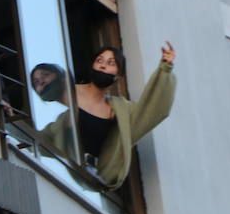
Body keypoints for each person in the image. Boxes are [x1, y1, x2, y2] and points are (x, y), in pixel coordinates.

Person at [33, 43, 177, 189]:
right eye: (99, 61)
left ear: (118, 75)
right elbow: (35, 141)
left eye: (110, 63)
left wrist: (165, 69)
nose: (103, 66)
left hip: (98, 183)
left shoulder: (121, 112)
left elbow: (153, 108)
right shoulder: (62, 119)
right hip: (75, 184)